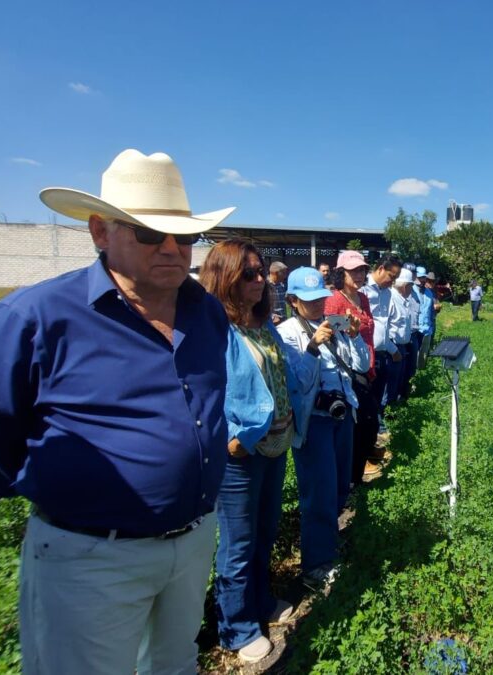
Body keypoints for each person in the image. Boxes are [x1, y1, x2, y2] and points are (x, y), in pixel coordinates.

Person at [0, 148, 237, 674]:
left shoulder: (206, 311)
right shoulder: (35, 316)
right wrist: (71, 490)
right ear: (100, 232)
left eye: (186, 237)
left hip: (192, 541)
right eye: (149, 234)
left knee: (174, 666)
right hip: (90, 558)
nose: (172, 249)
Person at [200, 240, 310, 662]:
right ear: (224, 277)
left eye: (261, 271)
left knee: (265, 531)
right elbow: (206, 389)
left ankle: (260, 601)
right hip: (241, 455)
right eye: (249, 274)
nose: (261, 280)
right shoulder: (217, 330)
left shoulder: (262, 325)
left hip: (273, 445)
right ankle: (236, 628)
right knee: (238, 544)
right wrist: (233, 438)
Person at [277, 267, 368, 590]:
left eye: (321, 299)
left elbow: (361, 366)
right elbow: (297, 382)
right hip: (313, 421)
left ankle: (328, 544)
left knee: (341, 484)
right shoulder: (287, 333)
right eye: (309, 300)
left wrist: (354, 337)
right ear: (291, 300)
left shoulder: (334, 326)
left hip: (342, 415)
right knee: (318, 493)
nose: (317, 306)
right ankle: (315, 566)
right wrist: (313, 347)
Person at [325, 251, 382, 480]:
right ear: (341, 273)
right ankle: (352, 476)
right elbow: (327, 324)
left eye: (362, 270)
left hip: (366, 365)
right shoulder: (335, 298)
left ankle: (357, 471)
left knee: (368, 422)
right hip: (348, 370)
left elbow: (366, 327)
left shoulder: (363, 298)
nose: (359, 275)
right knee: (363, 423)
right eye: (353, 270)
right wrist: (351, 324)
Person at [361, 254, 404, 444]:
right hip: (364, 355)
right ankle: (367, 440)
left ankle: (375, 432)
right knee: (366, 400)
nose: (392, 281)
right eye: (391, 276)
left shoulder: (386, 293)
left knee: (378, 396)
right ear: (380, 269)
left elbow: (383, 325)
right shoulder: (361, 288)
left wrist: (391, 347)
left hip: (382, 352)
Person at [389, 267, 417, 405]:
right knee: (391, 383)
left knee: (398, 381)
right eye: (411, 285)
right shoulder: (391, 299)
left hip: (402, 346)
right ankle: (386, 417)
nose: (412, 289)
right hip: (393, 348)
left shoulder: (402, 300)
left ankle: (394, 410)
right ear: (405, 286)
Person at [414, 267, 437, 368]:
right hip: (415, 330)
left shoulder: (429, 293)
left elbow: (431, 312)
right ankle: (413, 378)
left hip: (427, 329)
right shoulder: (411, 291)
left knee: (423, 356)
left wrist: (431, 326)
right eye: (420, 278)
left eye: (424, 278)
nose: (422, 280)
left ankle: (422, 378)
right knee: (414, 357)